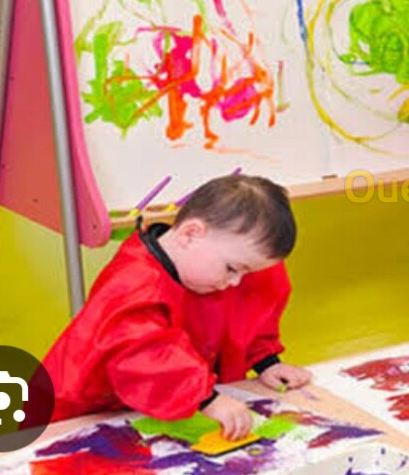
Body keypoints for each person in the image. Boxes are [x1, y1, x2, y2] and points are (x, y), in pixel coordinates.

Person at [38, 174, 311, 440]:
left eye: (244, 272)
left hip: (146, 415)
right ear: (191, 234)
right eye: (232, 269)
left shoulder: (214, 268)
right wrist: (207, 399)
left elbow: (249, 309)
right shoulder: (135, 284)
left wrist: (265, 361)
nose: (235, 282)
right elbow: (144, 353)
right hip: (69, 420)